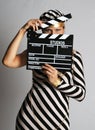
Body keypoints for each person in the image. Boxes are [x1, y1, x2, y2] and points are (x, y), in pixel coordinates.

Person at [2, 9, 86, 130]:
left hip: (58, 120)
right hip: (29, 118)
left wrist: (57, 82)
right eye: (48, 30)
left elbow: (81, 94)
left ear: (63, 29)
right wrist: (22, 30)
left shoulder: (74, 56)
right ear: (42, 31)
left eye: (58, 30)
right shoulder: (35, 51)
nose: (53, 34)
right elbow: (8, 61)